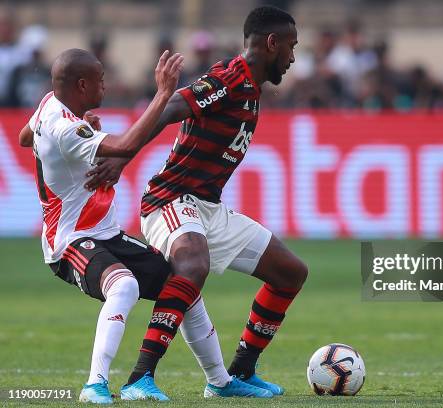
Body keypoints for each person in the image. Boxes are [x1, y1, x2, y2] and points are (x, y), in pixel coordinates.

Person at [20, 48, 270, 404]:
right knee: (123, 287)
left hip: (106, 234)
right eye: (100, 81)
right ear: (80, 85)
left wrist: (73, 137)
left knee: (182, 288)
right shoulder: (65, 129)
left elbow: (24, 137)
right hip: (70, 243)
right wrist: (163, 93)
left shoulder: (49, 105)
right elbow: (126, 144)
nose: (105, 87)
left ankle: (220, 381)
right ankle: (94, 385)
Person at [86, 5, 307, 397]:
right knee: (192, 262)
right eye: (290, 47)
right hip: (170, 199)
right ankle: (140, 377)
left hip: (208, 206)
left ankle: (238, 373)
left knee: (291, 272)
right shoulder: (230, 77)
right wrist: (122, 156)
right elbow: (172, 108)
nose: (292, 57)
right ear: (271, 43)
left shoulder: (252, 88)